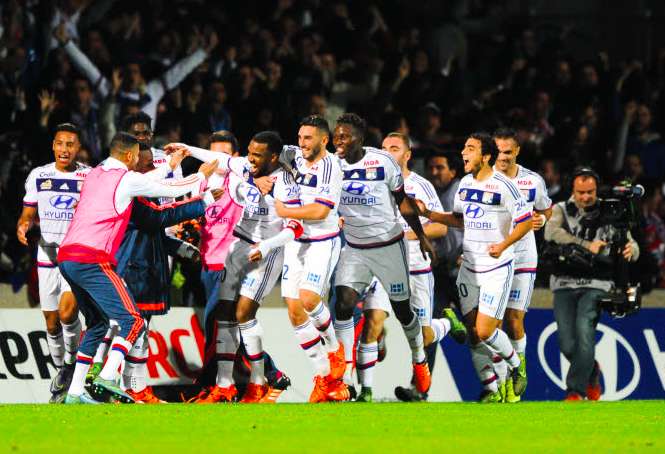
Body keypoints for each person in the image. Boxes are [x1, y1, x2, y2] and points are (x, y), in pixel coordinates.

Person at [57, 132, 215, 404]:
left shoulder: (94, 173)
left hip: (66, 256)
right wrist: (201, 177)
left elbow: (145, 182)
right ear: (130, 156)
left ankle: (74, 393)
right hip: (92, 258)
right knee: (133, 321)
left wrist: (169, 165)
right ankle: (107, 376)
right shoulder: (127, 180)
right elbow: (167, 190)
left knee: (97, 325)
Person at [167, 131, 304, 403]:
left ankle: (261, 380)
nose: (250, 160)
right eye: (250, 153)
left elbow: (295, 226)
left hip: (264, 251)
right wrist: (188, 148)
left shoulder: (285, 184)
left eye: (257, 155)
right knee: (226, 317)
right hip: (236, 250)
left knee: (240, 315)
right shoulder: (243, 171)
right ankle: (226, 385)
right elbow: (218, 158)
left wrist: (265, 246)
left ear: (273, 157)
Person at [330, 113, 437, 402]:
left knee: (403, 312)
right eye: (336, 136)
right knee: (343, 304)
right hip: (354, 248)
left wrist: (423, 237)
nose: (339, 141)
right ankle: (346, 378)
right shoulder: (331, 165)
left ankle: (418, 357)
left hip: (388, 246)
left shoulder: (382, 162)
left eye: (345, 136)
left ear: (359, 139)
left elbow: (404, 202)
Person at [418, 132, 532, 403]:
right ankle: (496, 386)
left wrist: (503, 245)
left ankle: (518, 366)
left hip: (496, 267)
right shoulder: (466, 183)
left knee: (484, 331)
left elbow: (526, 222)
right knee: (473, 333)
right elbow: (460, 220)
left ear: (486, 156)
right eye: (464, 148)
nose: (463, 153)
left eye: (470, 148)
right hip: (468, 266)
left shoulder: (504, 185)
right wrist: (428, 213)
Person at [353, 132, 466, 402]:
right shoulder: (369, 184)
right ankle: (365, 392)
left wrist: (411, 234)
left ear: (407, 155)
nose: (387, 152)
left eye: (394, 148)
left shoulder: (420, 186)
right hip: (381, 266)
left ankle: (445, 324)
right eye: (383, 148)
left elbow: (441, 225)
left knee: (424, 335)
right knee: (373, 322)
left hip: (416, 268)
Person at [114, 144, 214, 403]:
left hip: (145, 268)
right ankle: (126, 387)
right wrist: (203, 197)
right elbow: (155, 220)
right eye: (147, 165)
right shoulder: (130, 193)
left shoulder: (142, 194)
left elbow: (153, 233)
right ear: (134, 165)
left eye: (153, 164)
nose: (152, 169)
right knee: (129, 330)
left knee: (139, 330)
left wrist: (181, 248)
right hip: (131, 268)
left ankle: (133, 388)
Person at [544, 167, 639, 401]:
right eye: (580, 192)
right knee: (566, 342)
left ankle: (575, 391)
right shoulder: (561, 209)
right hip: (564, 283)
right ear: (572, 190)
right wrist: (586, 245)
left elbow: (632, 244)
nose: (586, 197)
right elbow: (550, 232)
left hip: (598, 283)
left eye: (590, 192)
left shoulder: (611, 210)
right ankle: (591, 370)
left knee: (585, 332)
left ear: (597, 189)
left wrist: (631, 250)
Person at [273, 115, 350, 402]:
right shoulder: (291, 156)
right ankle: (324, 379)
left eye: (308, 138)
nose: (302, 143)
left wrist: (284, 211)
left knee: (308, 298)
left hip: (322, 242)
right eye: (300, 136)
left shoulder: (331, 166)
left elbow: (320, 212)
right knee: (294, 310)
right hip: (295, 243)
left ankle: (334, 349)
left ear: (323, 140)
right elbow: (254, 159)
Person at [17, 123, 91, 403]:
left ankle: (71, 364)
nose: (64, 149)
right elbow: (27, 213)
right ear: (53, 146)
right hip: (46, 254)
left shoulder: (89, 176)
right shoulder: (39, 175)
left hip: (74, 255)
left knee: (67, 313)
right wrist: (23, 226)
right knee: (50, 323)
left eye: (70, 144)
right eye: (60, 143)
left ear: (78, 148)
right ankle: (62, 371)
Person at [493, 128, 552, 402]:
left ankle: (518, 370)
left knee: (514, 320)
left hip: (524, 257)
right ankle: (499, 380)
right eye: (498, 151)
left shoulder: (532, 181)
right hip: (493, 258)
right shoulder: (483, 179)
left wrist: (542, 219)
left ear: (517, 151)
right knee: (490, 323)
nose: (502, 157)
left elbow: (545, 208)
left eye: (508, 152)